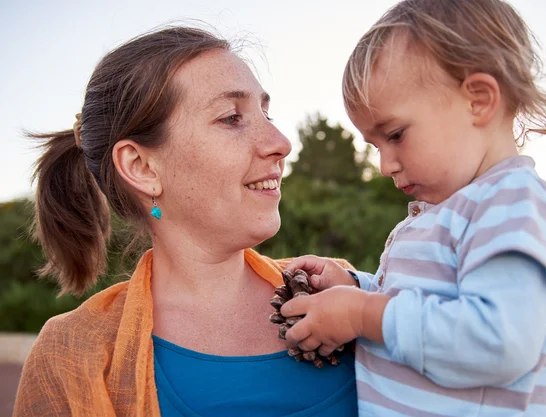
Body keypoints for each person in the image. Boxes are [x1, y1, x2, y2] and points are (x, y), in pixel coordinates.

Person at [14, 26, 358, 417]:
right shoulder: (74, 353)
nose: (281, 142)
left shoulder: (338, 289)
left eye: (267, 112)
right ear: (141, 167)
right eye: (231, 118)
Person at [279, 1, 546, 416]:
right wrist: (355, 289)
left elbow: (500, 340)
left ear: (477, 100)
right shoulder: (453, 209)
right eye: (375, 147)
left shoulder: (515, 202)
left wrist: (360, 314)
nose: (385, 166)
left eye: (396, 134)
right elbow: (423, 303)